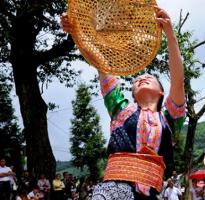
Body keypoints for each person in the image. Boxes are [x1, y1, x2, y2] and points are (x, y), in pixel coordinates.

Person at [61, 5, 185, 200]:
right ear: (133, 94)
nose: (142, 79)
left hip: (150, 194)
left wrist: (170, 33)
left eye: (149, 78)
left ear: (162, 92)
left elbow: (178, 80)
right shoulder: (120, 109)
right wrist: (78, 30)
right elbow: (100, 62)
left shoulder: (170, 119)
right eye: (136, 81)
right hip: (113, 189)